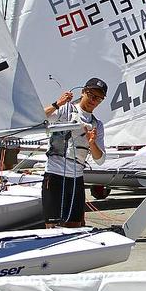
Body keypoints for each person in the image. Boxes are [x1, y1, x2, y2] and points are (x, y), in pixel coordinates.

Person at [42, 78, 107, 227]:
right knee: (52, 226)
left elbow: (100, 159)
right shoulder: (65, 109)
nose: (93, 100)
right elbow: (38, 118)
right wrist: (57, 103)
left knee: (75, 225)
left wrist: (92, 143)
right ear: (83, 92)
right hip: (54, 175)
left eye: (98, 98)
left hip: (76, 178)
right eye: (91, 95)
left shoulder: (97, 125)